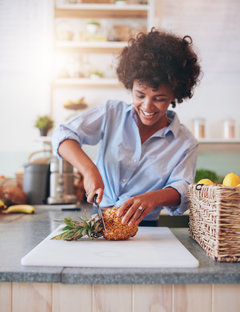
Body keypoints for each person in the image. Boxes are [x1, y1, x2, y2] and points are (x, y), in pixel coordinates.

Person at [52, 28, 201, 227]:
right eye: (140, 95)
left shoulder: (185, 143)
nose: (147, 106)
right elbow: (64, 134)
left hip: (145, 228)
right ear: (130, 86)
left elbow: (182, 188)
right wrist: (89, 170)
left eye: (159, 99)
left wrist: (153, 198)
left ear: (175, 96)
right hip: (98, 220)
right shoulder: (111, 113)